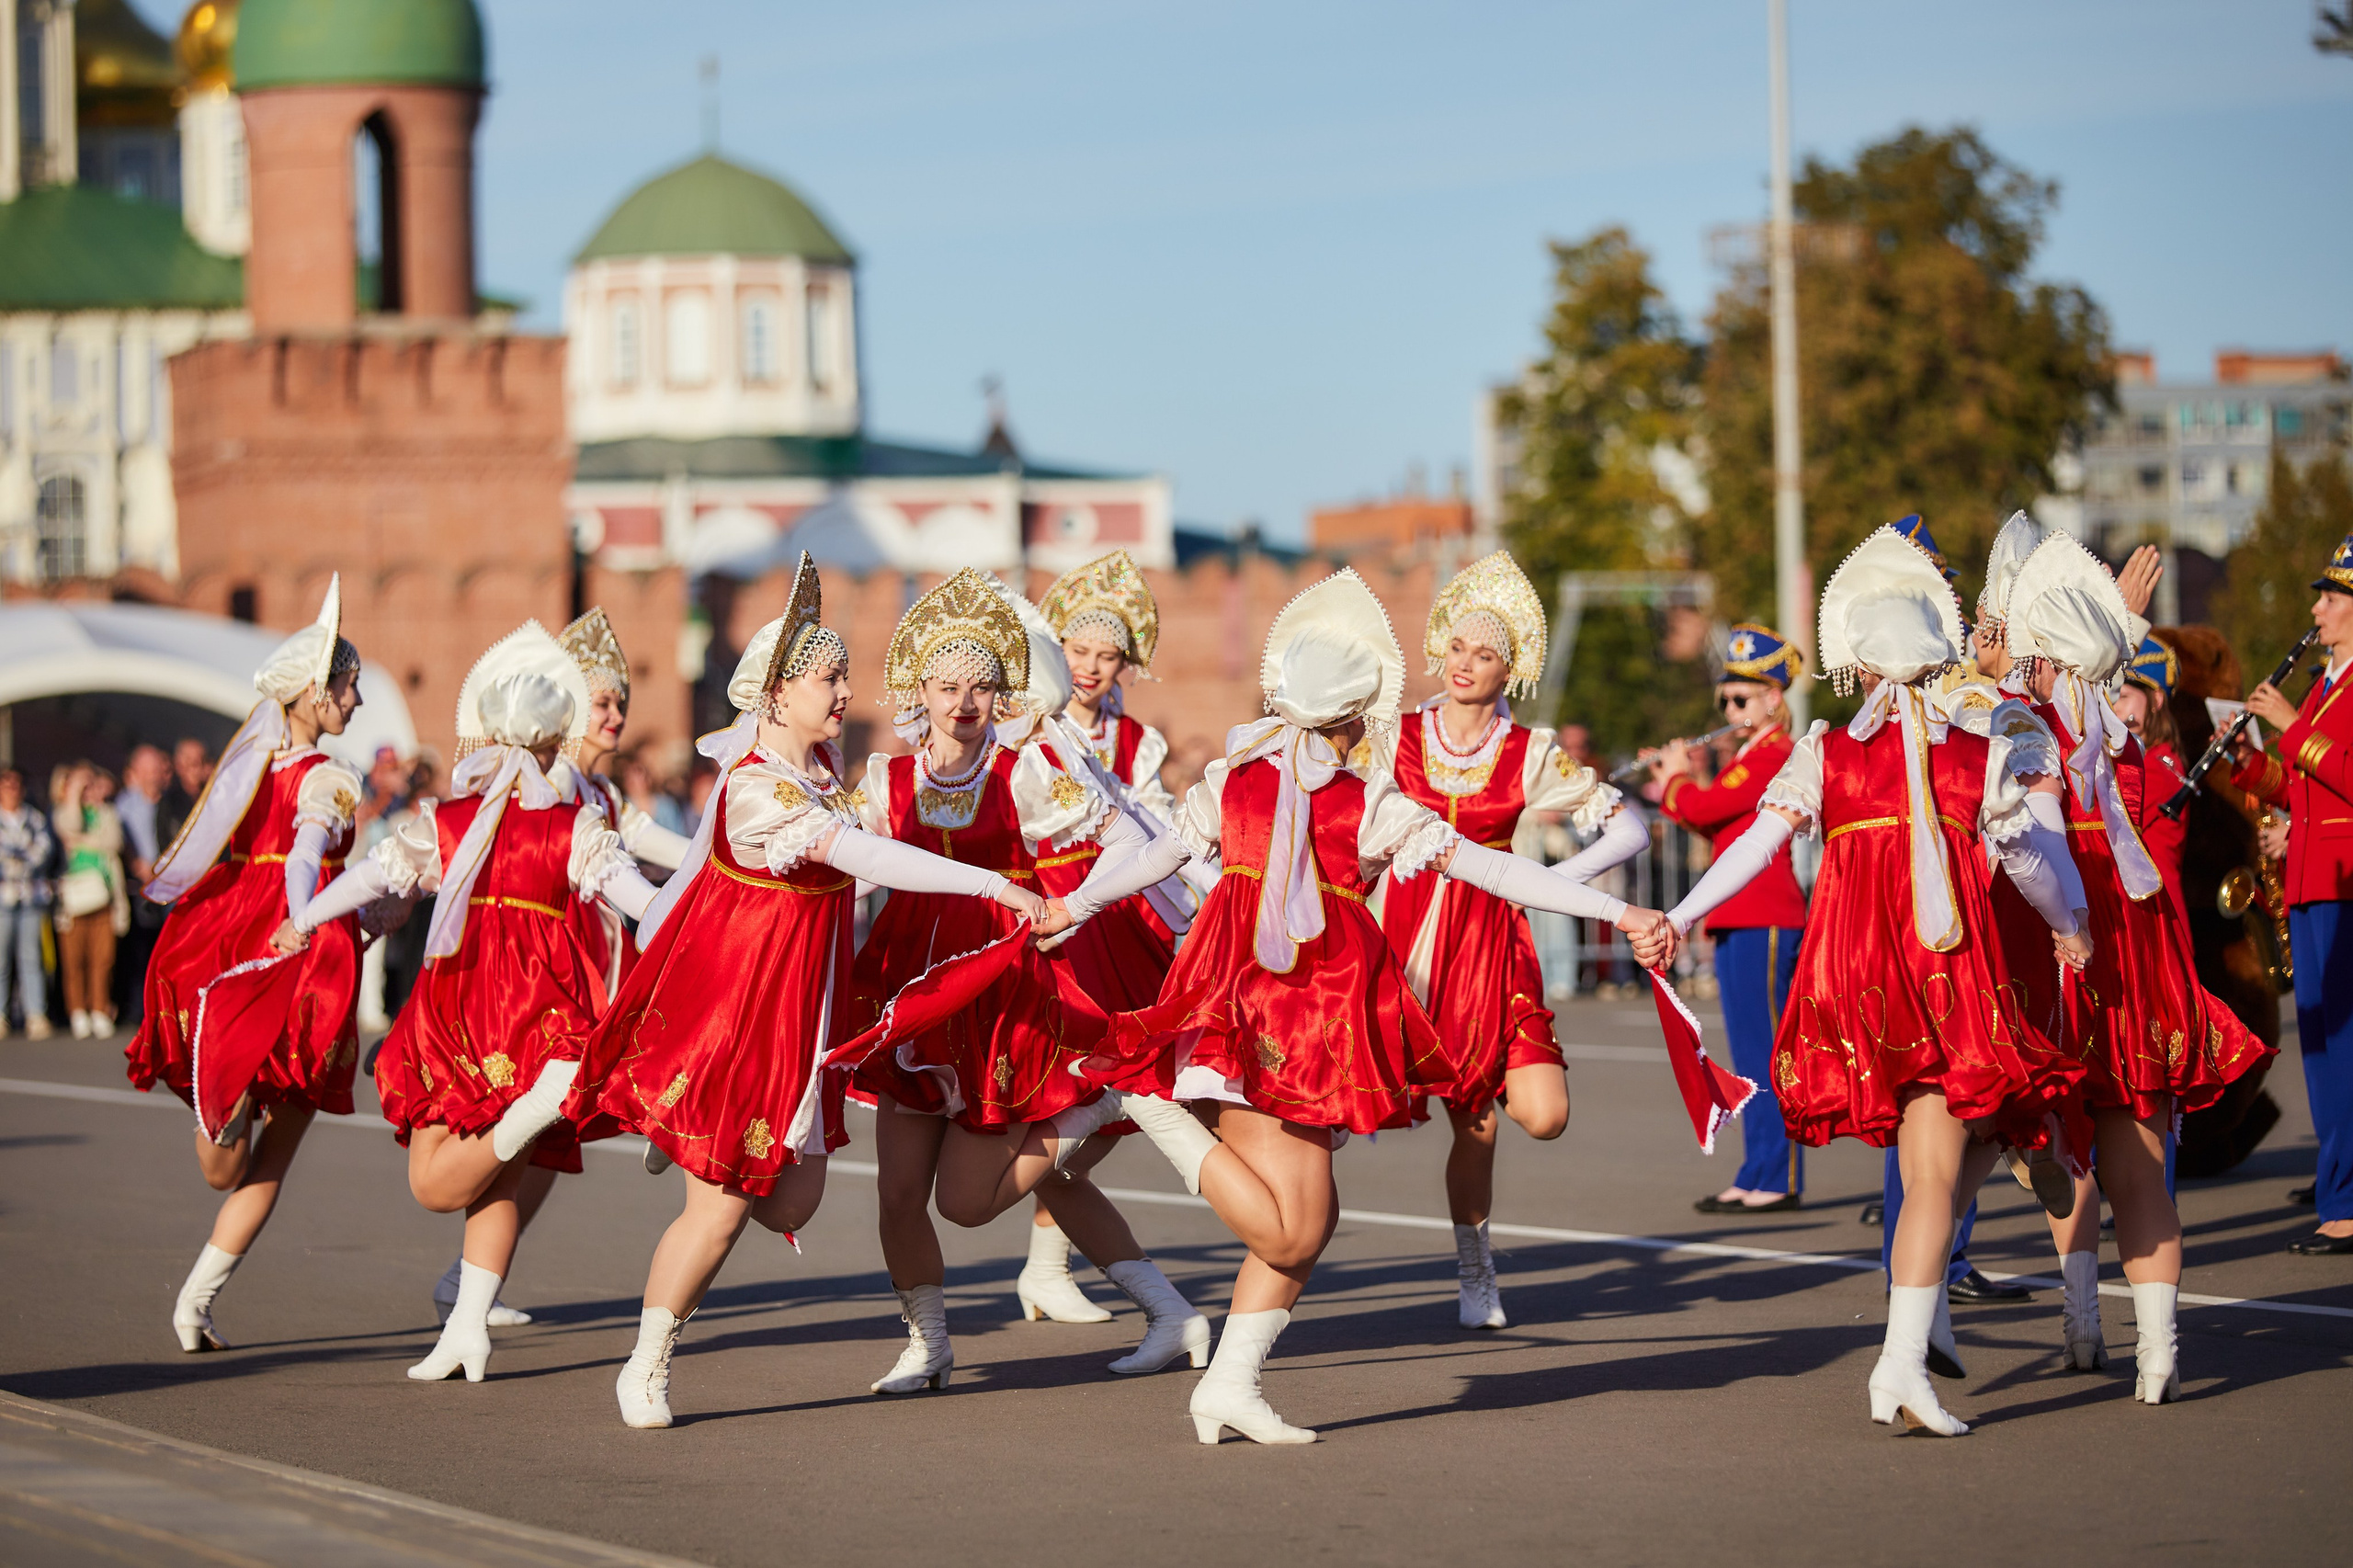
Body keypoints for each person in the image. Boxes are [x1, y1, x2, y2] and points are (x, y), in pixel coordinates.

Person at [1079, 567, 1676, 1445]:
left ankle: (1228, 1387)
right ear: (1359, 715)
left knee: (1305, 1228)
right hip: (1268, 1016)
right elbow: (1494, 868)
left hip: (1312, 1019)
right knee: (1294, 1233)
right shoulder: (1345, 799)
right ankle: (1162, 1116)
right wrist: (1617, 907)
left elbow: (1157, 852)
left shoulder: (1256, 781)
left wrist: (1076, 905)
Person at [572, 556, 1063, 1426]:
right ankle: (646, 1365)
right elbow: (865, 859)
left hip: (805, 1027)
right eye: (827, 678)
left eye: (842, 674)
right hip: (744, 1020)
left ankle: (686, 1138)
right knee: (720, 1213)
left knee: (792, 1199)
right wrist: (993, 887)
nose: (844, 690)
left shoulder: (823, 778)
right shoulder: (760, 788)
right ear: (776, 695)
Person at [1661, 521, 2097, 1436]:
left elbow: (1754, 842)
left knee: (1931, 1162)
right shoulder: (1974, 751)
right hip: (1941, 976)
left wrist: (1682, 911)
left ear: (1859, 662)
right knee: (1940, 1164)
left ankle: (1905, 1354)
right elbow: (2028, 859)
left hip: (1855, 983)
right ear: (1936, 657)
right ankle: (1902, 1357)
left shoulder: (1826, 750)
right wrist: (2071, 924)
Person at [836, 568, 1199, 1398]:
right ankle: (928, 1343)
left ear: (1002, 692)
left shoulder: (1026, 769)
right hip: (914, 991)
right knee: (897, 1195)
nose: (965, 700)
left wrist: (1074, 902)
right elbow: (843, 878)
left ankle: (1096, 1109)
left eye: (981, 684)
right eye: (947, 684)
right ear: (917, 691)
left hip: (1004, 996)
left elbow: (1121, 834)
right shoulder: (886, 783)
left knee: (966, 1204)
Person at [289, 619, 663, 1383]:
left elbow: (376, 875)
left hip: (462, 1005)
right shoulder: (575, 825)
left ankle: (531, 1119)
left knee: (435, 1181)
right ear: (556, 737)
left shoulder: (450, 824)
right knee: (496, 1178)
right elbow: (644, 902)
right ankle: (467, 1327)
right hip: (543, 1010)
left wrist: (305, 915)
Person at [2003, 531, 2271, 1393]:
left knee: (2074, 1150)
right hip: (2136, 969)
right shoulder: (2130, 759)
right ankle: (2147, 1352)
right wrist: (2109, 622)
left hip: (2074, 965)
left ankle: (2091, 1323)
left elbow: (2018, 809)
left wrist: (2099, 628)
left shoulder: (2045, 742)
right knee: (2134, 1166)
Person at [1372, 551, 1645, 1326]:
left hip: (1491, 942)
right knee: (1326, 1106)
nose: (1465, 664)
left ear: (1509, 668)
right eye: (1457, 647)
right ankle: (1280, 1263)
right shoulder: (1391, 735)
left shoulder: (1530, 752)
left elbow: (1628, 828)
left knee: (1533, 1115)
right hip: (1396, 935)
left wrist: (1560, 887)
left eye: (1485, 653)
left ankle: (1474, 1262)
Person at [416, 608, 692, 1329]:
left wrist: (734, 861)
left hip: (599, 974)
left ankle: (468, 1283)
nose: (615, 713)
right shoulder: (554, 787)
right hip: (539, 984)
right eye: (601, 700)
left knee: (541, 1149)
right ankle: (671, 1120)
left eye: (620, 701)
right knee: (525, 1135)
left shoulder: (603, 795)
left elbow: (671, 849)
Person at [125, 578, 369, 1353]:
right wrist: (302, 916)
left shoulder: (247, 768)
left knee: (226, 1167)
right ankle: (193, 1301)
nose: (356, 701)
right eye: (348, 686)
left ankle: (218, 1091)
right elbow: (304, 854)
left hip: (225, 935)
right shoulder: (327, 777)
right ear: (314, 694)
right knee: (272, 1152)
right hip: (295, 955)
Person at [1006, 551, 1206, 1324]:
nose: (1089, 666)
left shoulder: (1139, 744)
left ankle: (1046, 1262)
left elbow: (1154, 836)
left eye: (1106, 653)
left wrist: (1196, 920)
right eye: (1077, 650)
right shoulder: (1022, 725)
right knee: (1061, 1084)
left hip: (1115, 913)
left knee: (1117, 1093)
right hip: (1041, 909)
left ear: (1127, 661)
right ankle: (1047, 1264)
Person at [1646, 620, 1809, 1215]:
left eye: (1742, 698)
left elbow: (1708, 806)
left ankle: (1778, 1174)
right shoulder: (1745, 755)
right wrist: (1682, 780)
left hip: (1766, 916)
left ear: (1773, 699)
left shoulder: (1775, 753)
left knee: (1766, 1051)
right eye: (1725, 699)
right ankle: (1758, 1168)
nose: (1731, 707)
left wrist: (1676, 780)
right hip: (1740, 916)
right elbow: (1710, 819)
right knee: (1748, 1052)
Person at [2234, 530, 2353, 1257]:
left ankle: (2345, 1201)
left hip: (2345, 882)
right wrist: (2253, 767)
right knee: (2320, 1047)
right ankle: (2338, 1187)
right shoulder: (2327, 684)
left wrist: (2289, 724)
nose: (2317, 607)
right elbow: (2309, 785)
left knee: (2343, 1046)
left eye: (2332, 596)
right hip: (2311, 873)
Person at [51, 763, 129, 1040]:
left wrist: (83, 841)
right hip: (73, 898)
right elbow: (68, 825)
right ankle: (77, 1011)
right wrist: (74, 793)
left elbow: (113, 842)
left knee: (103, 958)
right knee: (74, 959)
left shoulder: (107, 813)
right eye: (85, 787)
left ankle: (99, 1009)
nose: (90, 791)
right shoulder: (65, 812)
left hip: (105, 896)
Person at [0, 767, 55, 1039]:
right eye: (6, 785)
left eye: (16, 785)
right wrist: (17, 858)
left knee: (30, 956)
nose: (12, 790)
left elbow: (42, 850)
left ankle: (36, 1013)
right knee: (1, 958)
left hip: (31, 895)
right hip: (3, 897)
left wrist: (18, 860)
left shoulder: (34, 817)